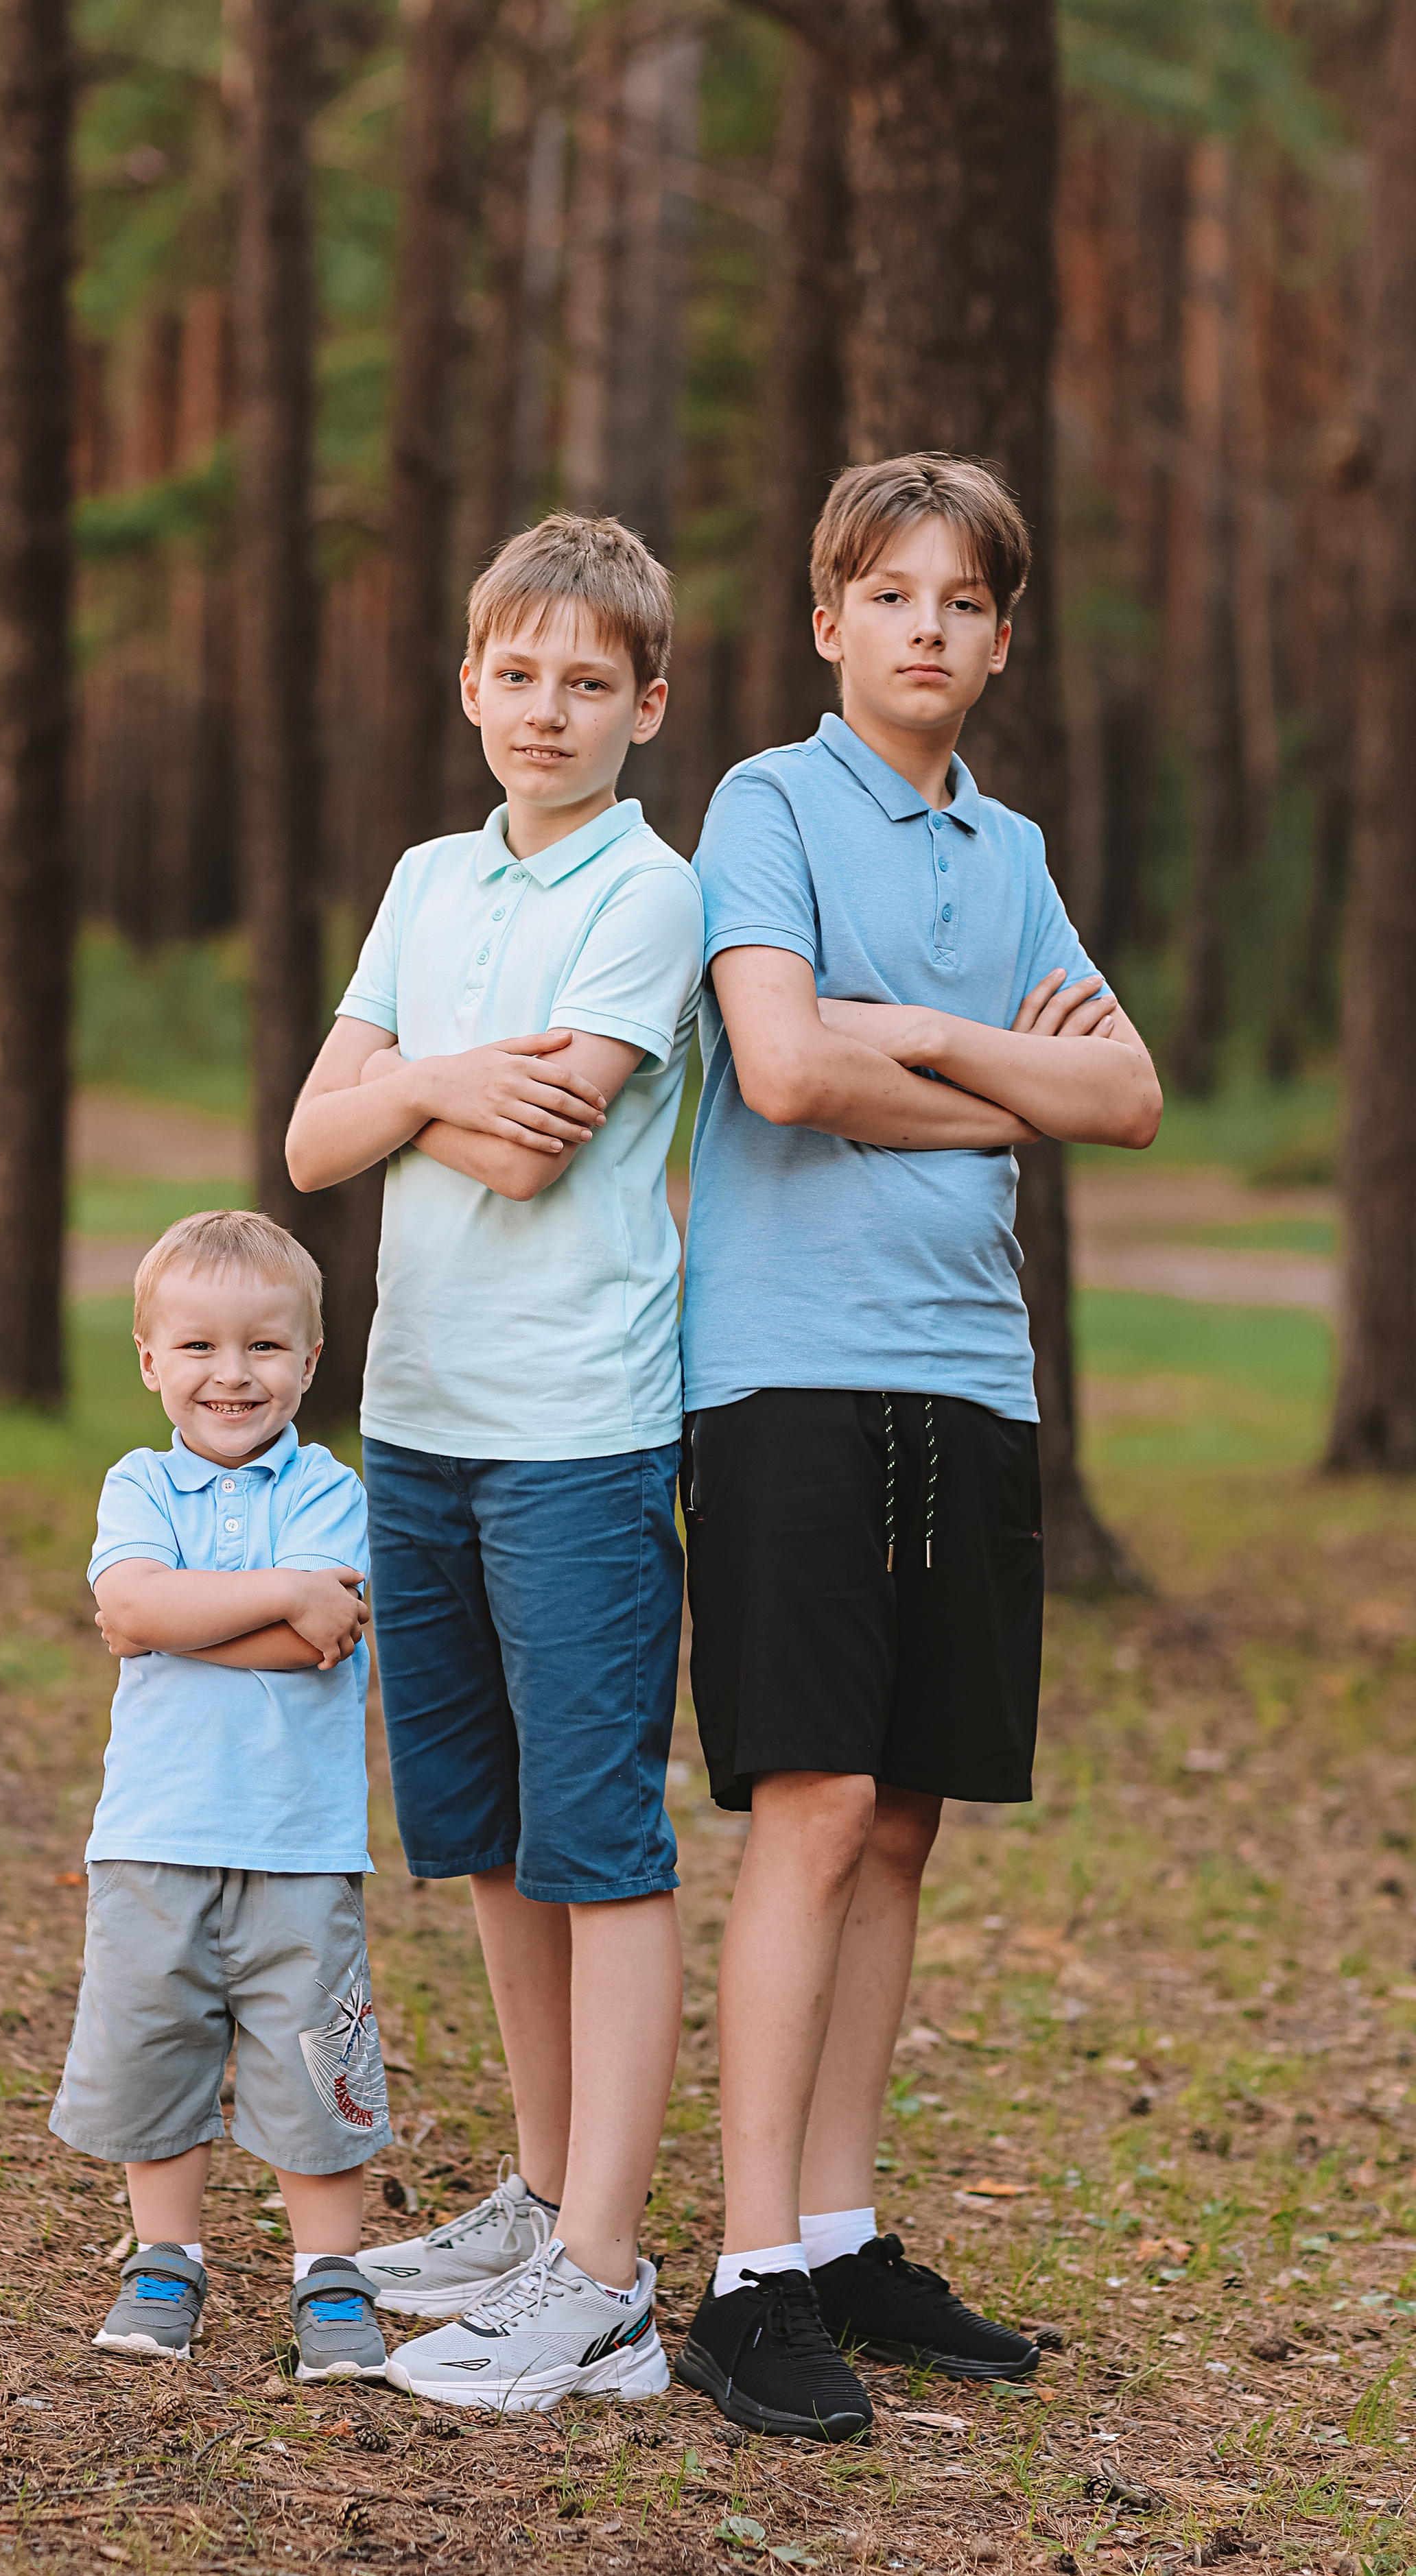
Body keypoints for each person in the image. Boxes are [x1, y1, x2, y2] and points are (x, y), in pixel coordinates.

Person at [673, 454, 1163, 2441]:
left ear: (1001, 639)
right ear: (828, 623)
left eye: (964, 604)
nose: (929, 630)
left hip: (973, 1372)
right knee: (812, 1797)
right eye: (893, 597)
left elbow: (1121, 1096)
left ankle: (847, 2232)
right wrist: (997, 1076)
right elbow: (779, 1067)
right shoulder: (766, 806)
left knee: (906, 1816)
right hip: (791, 1366)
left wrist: (941, 1048)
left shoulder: (1018, 851)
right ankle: (745, 2271)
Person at [283, 512, 703, 2411]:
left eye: (587, 683)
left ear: (648, 706)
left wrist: (401, 1102)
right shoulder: (427, 878)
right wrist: (445, 1079)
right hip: (421, 1421)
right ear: (470, 686)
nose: (547, 709)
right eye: (516, 675)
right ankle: (540, 2203)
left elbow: (539, 1155)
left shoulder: (650, 894)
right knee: (484, 1841)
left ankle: (606, 2281)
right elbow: (309, 1142)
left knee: (598, 1845)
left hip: (580, 1433)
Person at [50, 1210, 393, 2383]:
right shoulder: (138, 1482)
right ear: (150, 1362)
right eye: (198, 1347)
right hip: (153, 1836)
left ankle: (329, 2275)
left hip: (301, 1844)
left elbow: (324, 1637)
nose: (231, 1375)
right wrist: (274, 1603)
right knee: (158, 2046)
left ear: (308, 1358)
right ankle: (166, 2256)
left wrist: (193, 1622)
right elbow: (131, 1613)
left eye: (263, 1347)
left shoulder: (329, 1489)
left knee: (313, 2059)